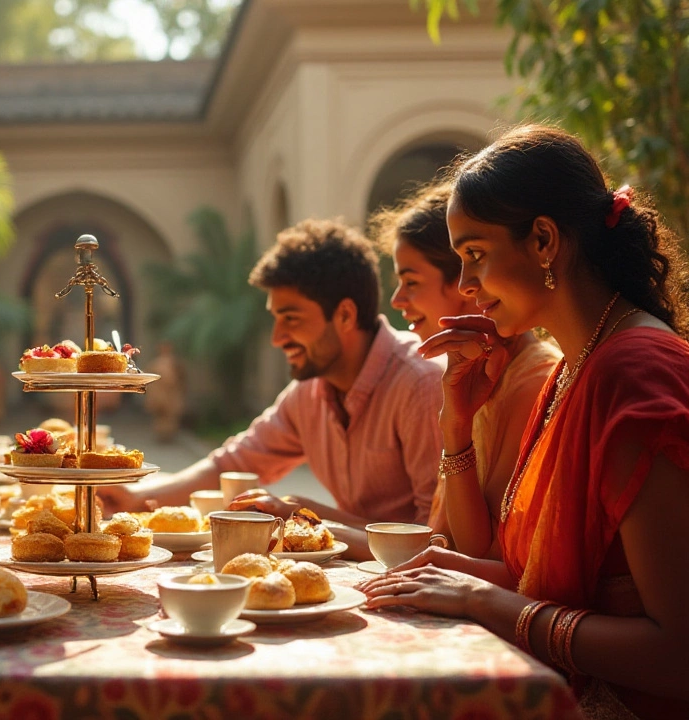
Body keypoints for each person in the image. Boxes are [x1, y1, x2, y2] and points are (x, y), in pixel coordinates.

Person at [358, 125, 689, 718]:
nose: (465, 287)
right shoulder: (575, 368)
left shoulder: (634, 373)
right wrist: (456, 423)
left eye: (475, 256)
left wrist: (488, 602)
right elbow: (499, 554)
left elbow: (677, 655)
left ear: (543, 241)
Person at [98, 219, 445, 560]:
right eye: (275, 319)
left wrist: (304, 513)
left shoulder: (421, 385)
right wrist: (135, 497)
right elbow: (233, 464)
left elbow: (434, 539)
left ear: (345, 315)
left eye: (291, 319)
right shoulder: (309, 392)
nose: (277, 338)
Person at [371, 181, 559, 558]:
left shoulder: (534, 378)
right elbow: (439, 540)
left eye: (411, 282)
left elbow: (479, 550)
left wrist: (454, 427)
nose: (396, 301)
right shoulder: (472, 373)